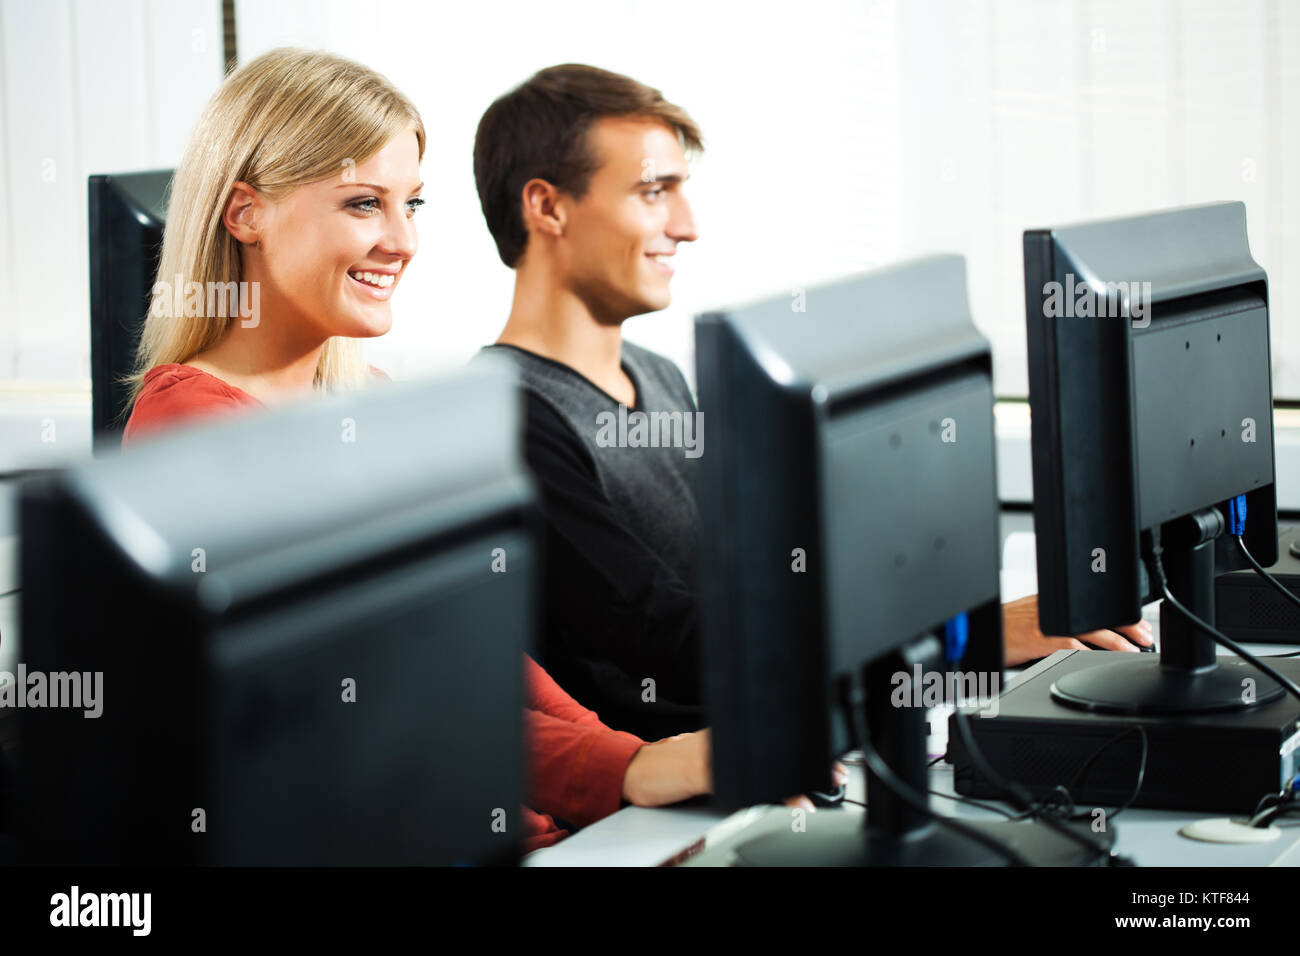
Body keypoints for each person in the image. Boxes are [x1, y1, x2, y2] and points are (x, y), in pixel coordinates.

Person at [122, 47, 721, 854]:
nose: (403, 240)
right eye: (365, 203)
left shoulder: (368, 394)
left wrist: (641, 767)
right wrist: (618, 769)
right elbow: (367, 688)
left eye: (414, 202)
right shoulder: (194, 427)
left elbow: (477, 654)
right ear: (244, 214)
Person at [472, 64, 1154, 740]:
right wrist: (966, 641)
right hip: (683, 788)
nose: (687, 225)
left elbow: (754, 588)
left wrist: (965, 643)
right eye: (654, 191)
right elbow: (665, 638)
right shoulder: (507, 419)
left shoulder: (655, 376)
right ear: (548, 207)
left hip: (797, 730)